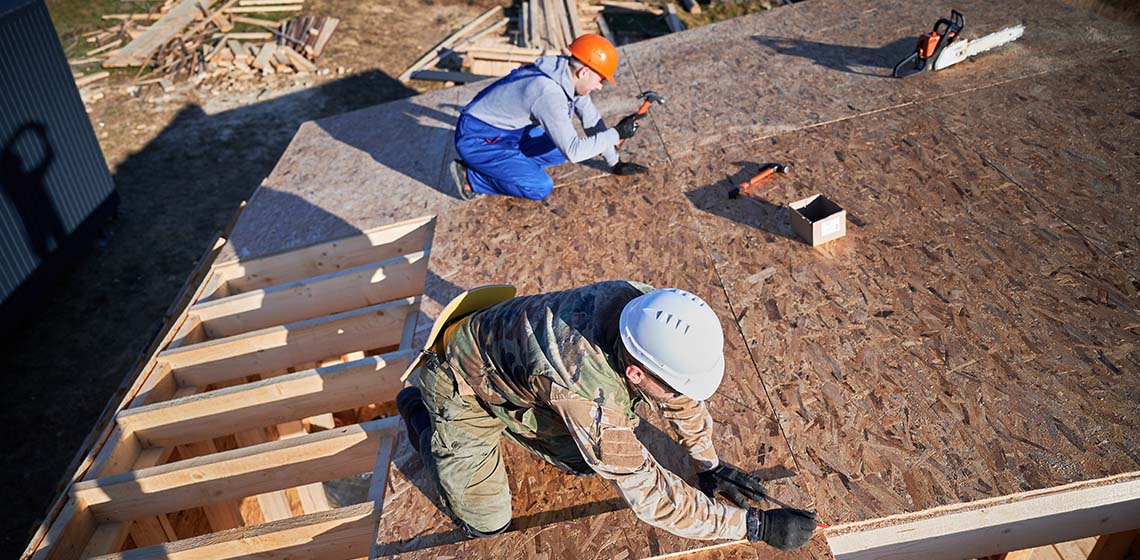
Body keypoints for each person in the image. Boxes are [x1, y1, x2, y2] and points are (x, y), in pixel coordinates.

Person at [397, 281, 817, 550]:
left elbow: (681, 397)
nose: (679, 398)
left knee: (583, 463)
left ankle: (512, 412)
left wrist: (708, 463)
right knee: (488, 525)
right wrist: (754, 527)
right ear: (634, 372)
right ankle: (421, 414)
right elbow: (652, 497)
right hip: (458, 380)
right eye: (670, 386)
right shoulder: (587, 395)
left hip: (518, 365)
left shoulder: (650, 310)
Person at [446, 34, 649, 201]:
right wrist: (617, 134)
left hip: (507, 133)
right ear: (584, 71)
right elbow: (575, 152)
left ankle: (509, 167)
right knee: (539, 187)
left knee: (557, 149)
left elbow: (591, 120)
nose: (599, 86)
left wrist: (615, 163)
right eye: (600, 79)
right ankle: (471, 177)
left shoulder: (565, 74)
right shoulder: (548, 94)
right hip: (479, 139)